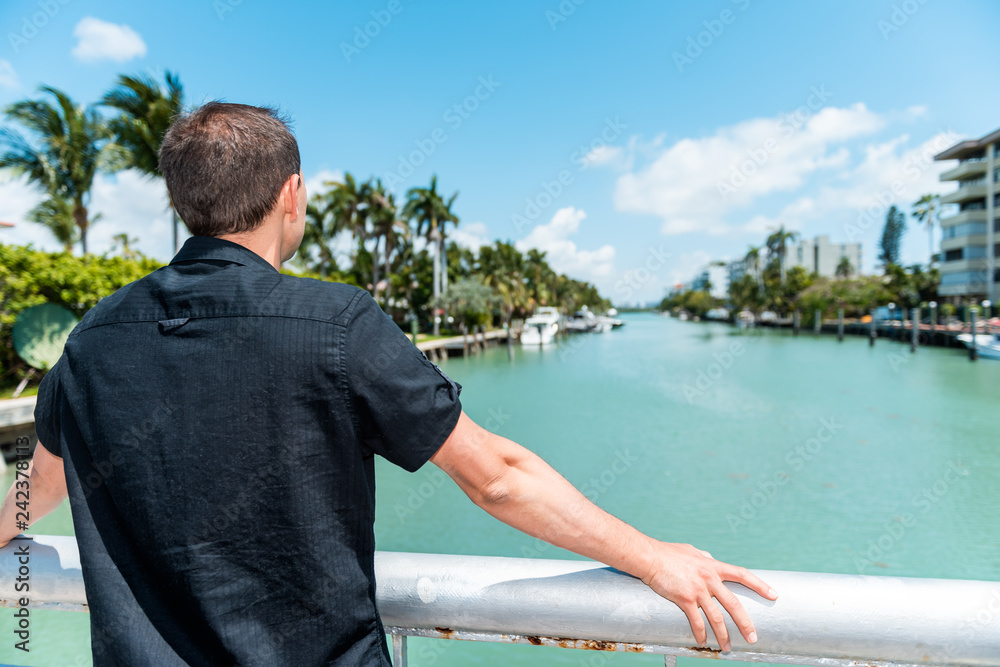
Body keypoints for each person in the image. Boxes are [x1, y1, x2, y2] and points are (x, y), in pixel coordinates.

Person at [0, 102, 776, 666]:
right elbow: (497, 479)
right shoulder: (335, 322)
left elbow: (41, 484)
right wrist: (649, 555)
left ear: (181, 201)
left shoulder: (94, 336)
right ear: (291, 195)